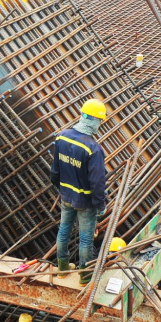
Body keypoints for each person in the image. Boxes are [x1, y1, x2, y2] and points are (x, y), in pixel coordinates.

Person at [51, 98, 108, 285]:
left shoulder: (62, 137)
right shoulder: (93, 148)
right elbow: (97, 182)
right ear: (94, 121)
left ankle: (62, 268)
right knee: (85, 240)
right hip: (85, 202)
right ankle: (84, 275)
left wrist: (63, 190)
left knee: (63, 230)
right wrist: (100, 205)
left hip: (66, 196)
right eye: (100, 121)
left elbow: (55, 171)